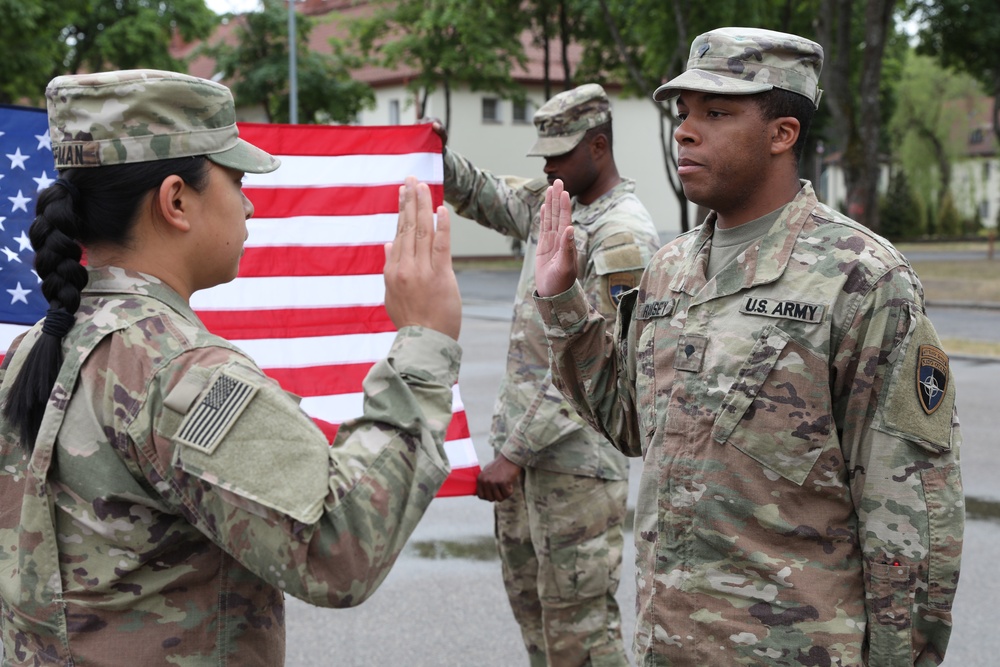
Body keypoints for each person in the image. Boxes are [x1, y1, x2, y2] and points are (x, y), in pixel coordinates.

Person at [533, 28, 964, 667]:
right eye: (684, 114)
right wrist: (565, 304)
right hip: (668, 648)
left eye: (717, 112)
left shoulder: (861, 278)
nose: (684, 131)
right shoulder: (670, 270)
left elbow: (912, 519)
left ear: (782, 133)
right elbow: (630, 425)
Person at [0, 69, 462, 665]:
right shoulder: (179, 373)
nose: (247, 202)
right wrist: (423, 344)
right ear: (176, 201)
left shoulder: (32, 350)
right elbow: (338, 548)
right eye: (236, 179)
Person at [432, 83, 660, 666]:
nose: (549, 165)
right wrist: (436, 153)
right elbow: (485, 195)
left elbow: (602, 364)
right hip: (525, 460)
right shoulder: (557, 204)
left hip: (576, 465)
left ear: (600, 146)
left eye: (560, 153)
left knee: (580, 631)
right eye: (545, 155)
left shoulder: (622, 235)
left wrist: (512, 451)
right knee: (535, 616)